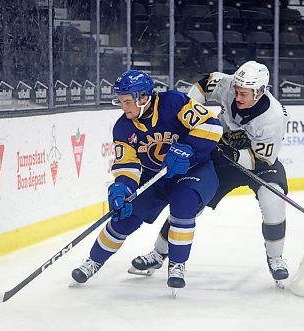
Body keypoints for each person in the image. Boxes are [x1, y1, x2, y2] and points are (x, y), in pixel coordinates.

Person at [129, 61, 290, 287]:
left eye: (244, 94)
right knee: (189, 200)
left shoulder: (274, 118)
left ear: (260, 91)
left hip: (258, 164)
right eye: (236, 91)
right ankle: (158, 253)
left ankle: (276, 258)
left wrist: (230, 153)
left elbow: (261, 159)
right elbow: (204, 85)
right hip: (221, 157)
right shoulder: (229, 84)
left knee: (273, 199)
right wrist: (186, 115)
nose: (238, 97)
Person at [71, 70, 223, 289]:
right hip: (155, 176)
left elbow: (211, 125)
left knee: (184, 202)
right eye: (120, 102)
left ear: (143, 97)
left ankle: (177, 265)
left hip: (195, 170)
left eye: (127, 101)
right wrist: (122, 187)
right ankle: (93, 261)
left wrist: (188, 149)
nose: (124, 108)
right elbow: (128, 165)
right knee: (125, 215)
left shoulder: (173, 102)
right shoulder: (123, 127)